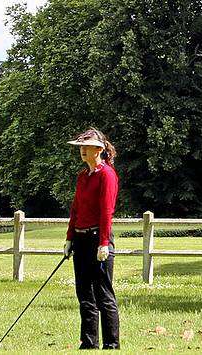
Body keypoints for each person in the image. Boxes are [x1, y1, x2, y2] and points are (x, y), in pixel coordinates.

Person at [63, 128, 120, 349]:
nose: (82, 151)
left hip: (99, 239)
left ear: (98, 150)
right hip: (81, 239)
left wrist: (104, 243)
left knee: (104, 295)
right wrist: (70, 238)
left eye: (86, 147)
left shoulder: (107, 175)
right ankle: (88, 344)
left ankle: (111, 345)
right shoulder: (82, 177)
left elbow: (107, 211)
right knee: (84, 294)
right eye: (80, 148)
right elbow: (75, 209)